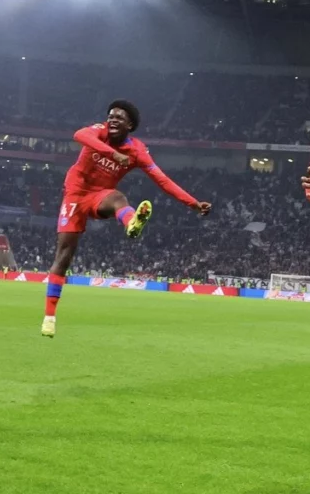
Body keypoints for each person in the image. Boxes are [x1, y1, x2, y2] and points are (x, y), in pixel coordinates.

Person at [41, 99, 212, 337]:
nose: (112, 120)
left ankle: (132, 222)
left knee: (118, 198)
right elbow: (79, 135)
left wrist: (193, 203)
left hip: (100, 195)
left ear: (130, 125)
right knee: (64, 255)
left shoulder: (137, 151)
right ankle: (49, 317)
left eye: (119, 118)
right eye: (110, 116)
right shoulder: (98, 132)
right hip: (75, 194)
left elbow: (162, 180)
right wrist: (112, 154)